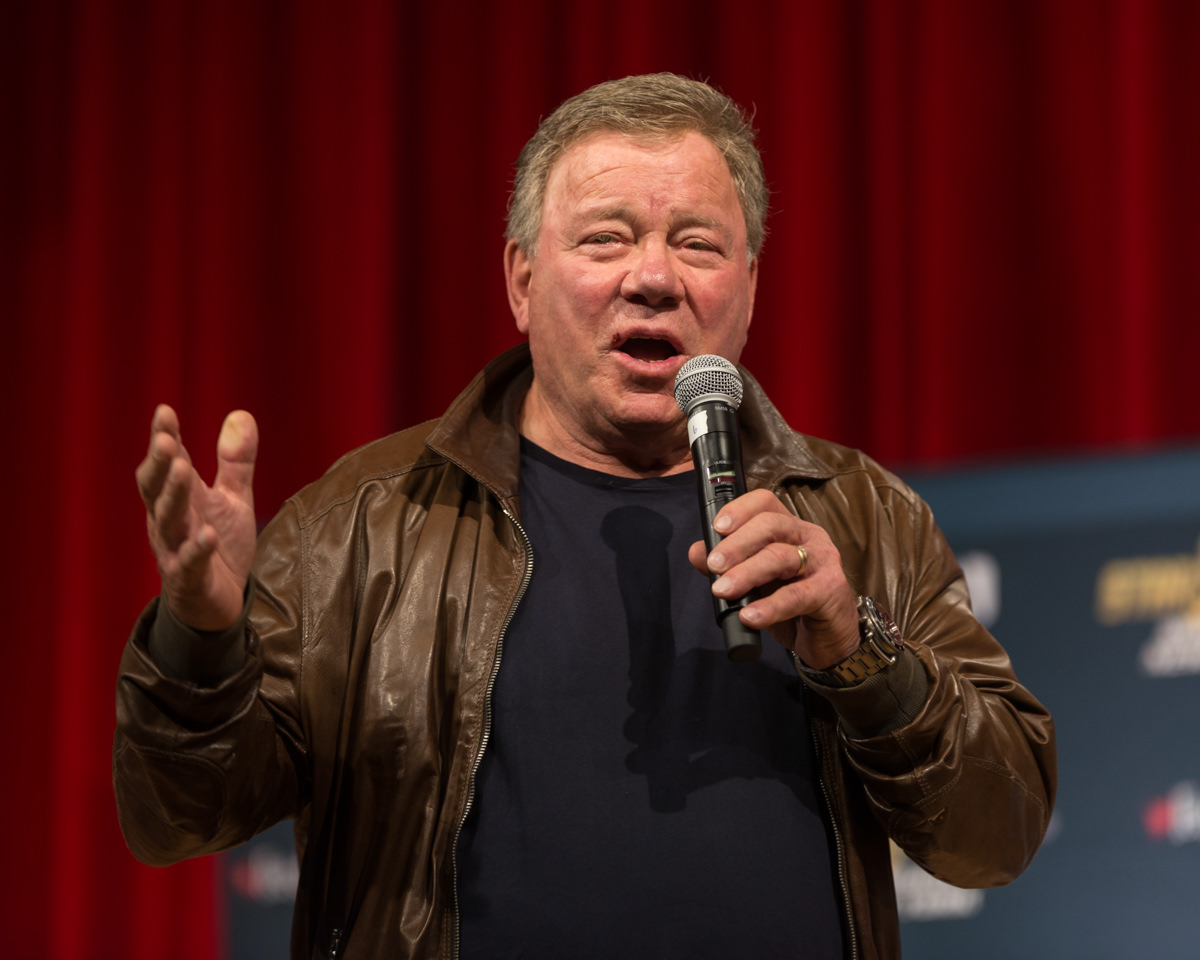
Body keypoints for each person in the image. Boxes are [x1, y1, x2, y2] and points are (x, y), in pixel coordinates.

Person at [116, 73, 1056, 959]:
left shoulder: (862, 519)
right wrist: (202, 636)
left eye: (698, 244)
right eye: (606, 239)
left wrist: (857, 650)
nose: (654, 277)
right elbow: (178, 817)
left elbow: (996, 835)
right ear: (522, 281)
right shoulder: (360, 525)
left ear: (752, 285)